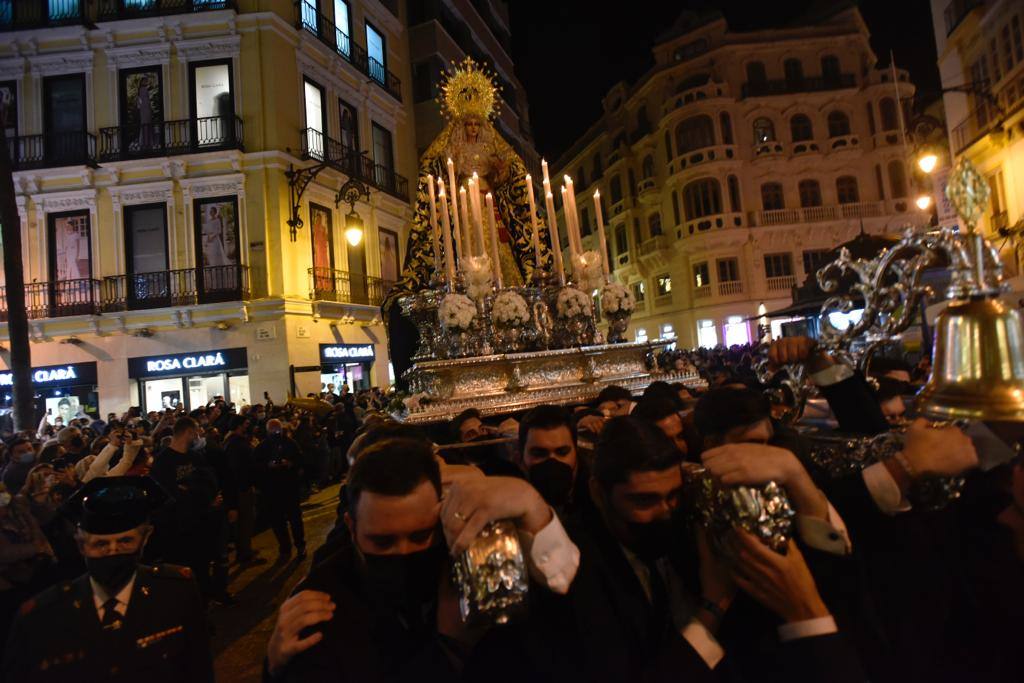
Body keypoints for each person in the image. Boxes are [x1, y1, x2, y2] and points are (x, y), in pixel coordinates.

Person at [265, 436, 579, 681]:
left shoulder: (476, 560)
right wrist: (450, 646)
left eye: (419, 536)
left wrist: (533, 507)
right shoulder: (321, 602)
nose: (403, 552)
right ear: (351, 526)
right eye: (383, 542)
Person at [2, 476, 214, 682]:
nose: (113, 552)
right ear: (81, 545)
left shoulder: (174, 592)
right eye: (101, 544)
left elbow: (197, 668)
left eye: (125, 541)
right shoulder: (43, 616)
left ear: (145, 539)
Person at [253, 419, 306, 561]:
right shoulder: (262, 447)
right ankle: (285, 549)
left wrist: (290, 463)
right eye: (273, 429)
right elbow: (256, 467)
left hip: (289, 487)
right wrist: (268, 466)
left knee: (295, 519)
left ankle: (300, 545)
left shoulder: (290, 443)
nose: (276, 432)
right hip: (272, 490)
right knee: (278, 521)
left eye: (278, 429)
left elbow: (300, 460)